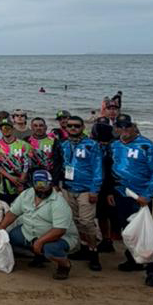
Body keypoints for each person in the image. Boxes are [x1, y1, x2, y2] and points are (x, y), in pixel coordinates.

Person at [107, 114, 153, 287]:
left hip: (140, 197)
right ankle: (133, 259)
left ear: (134, 127)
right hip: (120, 194)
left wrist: (148, 194)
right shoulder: (115, 146)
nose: (123, 130)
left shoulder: (147, 146)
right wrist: (110, 191)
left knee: (144, 233)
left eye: (127, 127)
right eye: (120, 127)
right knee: (128, 230)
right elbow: (110, 170)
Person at [0, 170, 78, 280]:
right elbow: (12, 214)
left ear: (51, 184)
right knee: (11, 236)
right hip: (30, 231)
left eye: (44, 184)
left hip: (60, 237)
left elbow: (59, 230)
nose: (41, 187)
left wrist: (40, 242)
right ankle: (39, 256)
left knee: (50, 248)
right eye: (38, 184)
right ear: (33, 184)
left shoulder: (58, 202)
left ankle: (64, 265)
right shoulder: (26, 194)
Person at [55, 115, 104, 271]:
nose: (73, 128)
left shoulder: (92, 145)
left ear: (83, 127)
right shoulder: (63, 144)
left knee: (87, 222)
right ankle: (83, 248)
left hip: (86, 189)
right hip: (68, 187)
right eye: (70, 126)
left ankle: (94, 252)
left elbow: (98, 169)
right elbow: (59, 165)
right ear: (66, 128)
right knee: (75, 220)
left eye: (77, 126)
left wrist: (95, 190)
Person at [0, 118, 32, 205]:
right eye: (3, 128)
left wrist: (21, 182)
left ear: (13, 129)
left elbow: (27, 164)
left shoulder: (24, 145)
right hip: (4, 186)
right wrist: (10, 177)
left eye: (8, 127)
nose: (6, 130)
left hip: (22, 185)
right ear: (0, 130)